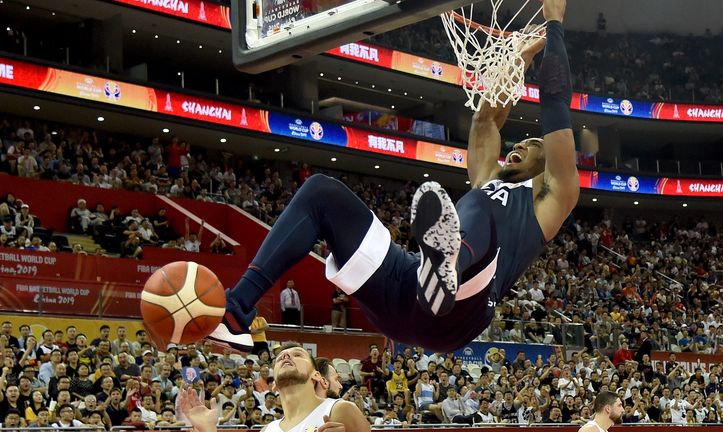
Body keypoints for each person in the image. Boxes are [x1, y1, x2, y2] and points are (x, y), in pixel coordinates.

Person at [206, 0, 578, 353]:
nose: (518, 145)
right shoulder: (487, 176)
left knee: (478, 206)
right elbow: (485, 120)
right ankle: (237, 310)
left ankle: (446, 267)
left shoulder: (552, 196)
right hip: (406, 294)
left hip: (463, 310)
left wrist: (555, 26)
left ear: (550, 158)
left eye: (531, 143)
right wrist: (519, 60)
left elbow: (556, 105)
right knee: (321, 194)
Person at [179, 342, 369, 431]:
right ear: (275, 384)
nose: (287, 356)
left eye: (298, 355)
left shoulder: (339, 409)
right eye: (280, 358)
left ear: (316, 375)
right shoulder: (268, 430)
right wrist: (209, 430)